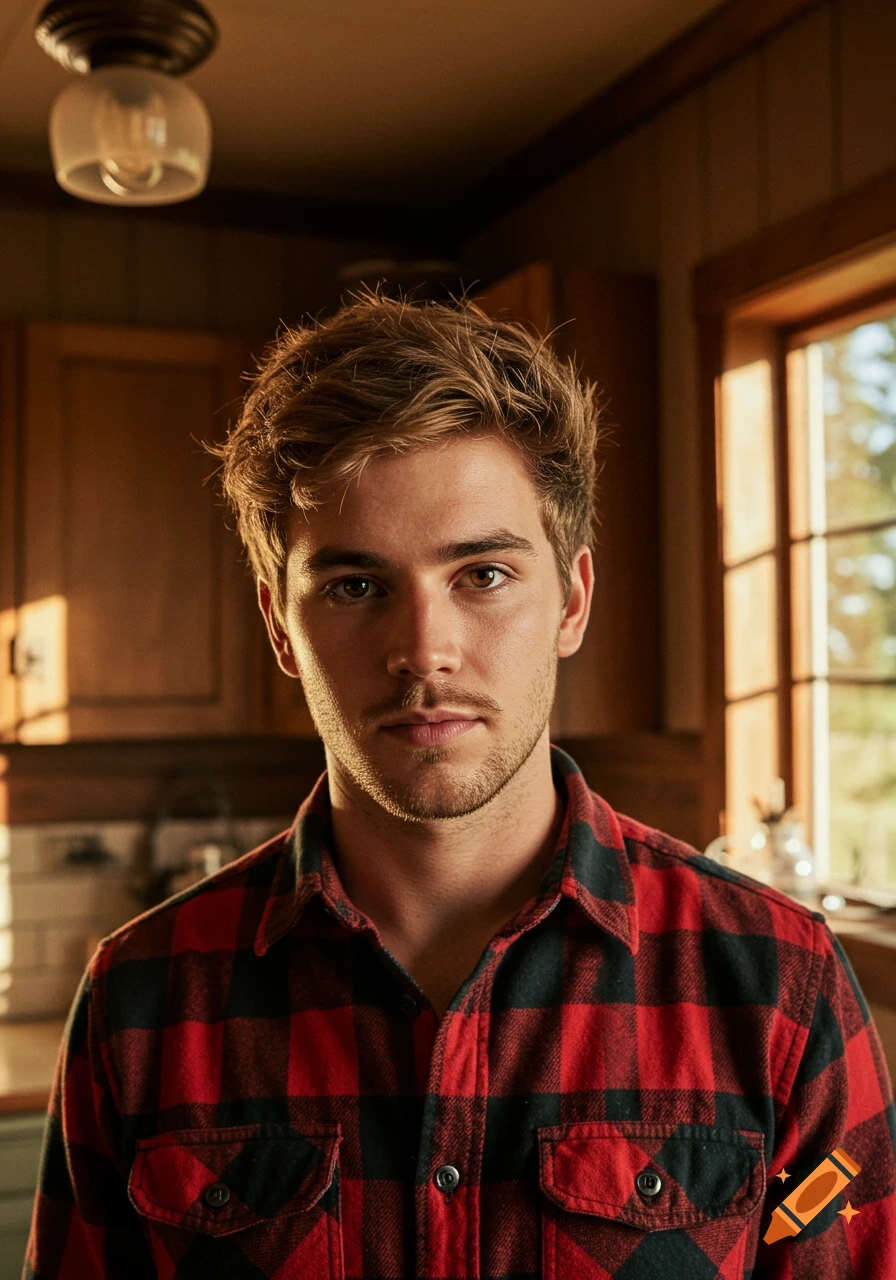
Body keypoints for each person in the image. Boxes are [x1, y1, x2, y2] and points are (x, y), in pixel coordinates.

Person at [25, 293, 896, 1279]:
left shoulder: (778, 983)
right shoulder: (140, 998)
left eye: (480, 574)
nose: (422, 651)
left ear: (569, 597)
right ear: (278, 625)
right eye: (356, 585)